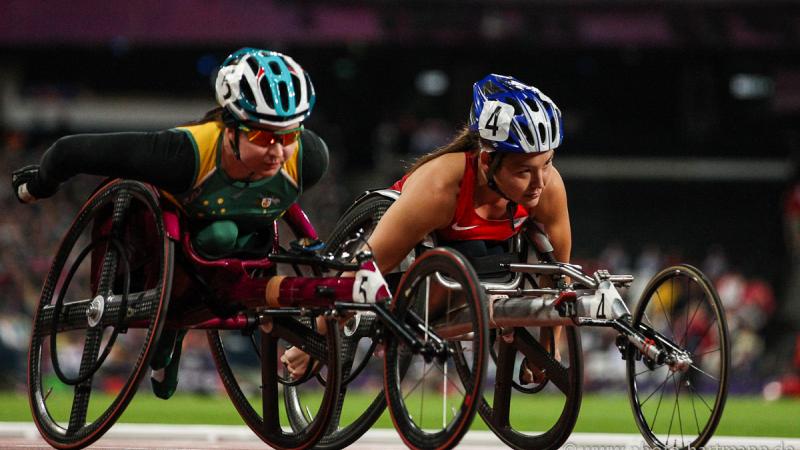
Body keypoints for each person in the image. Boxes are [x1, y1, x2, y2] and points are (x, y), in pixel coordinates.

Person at [11, 47, 332, 398]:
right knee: (219, 234)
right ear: (230, 128)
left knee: (238, 237)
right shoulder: (182, 154)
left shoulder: (309, 159)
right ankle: (171, 331)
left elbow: (287, 210)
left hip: (249, 245)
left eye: (288, 136)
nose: (278, 152)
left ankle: (180, 324)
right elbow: (68, 151)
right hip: (173, 248)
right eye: (262, 137)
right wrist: (38, 185)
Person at [283, 74, 570, 384]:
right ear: (487, 161)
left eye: (547, 163)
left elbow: (557, 274)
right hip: (410, 266)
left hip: (481, 268)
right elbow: (367, 265)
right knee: (441, 268)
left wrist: (550, 344)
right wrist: (315, 338)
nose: (540, 182)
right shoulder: (439, 187)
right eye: (524, 171)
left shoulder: (547, 188)